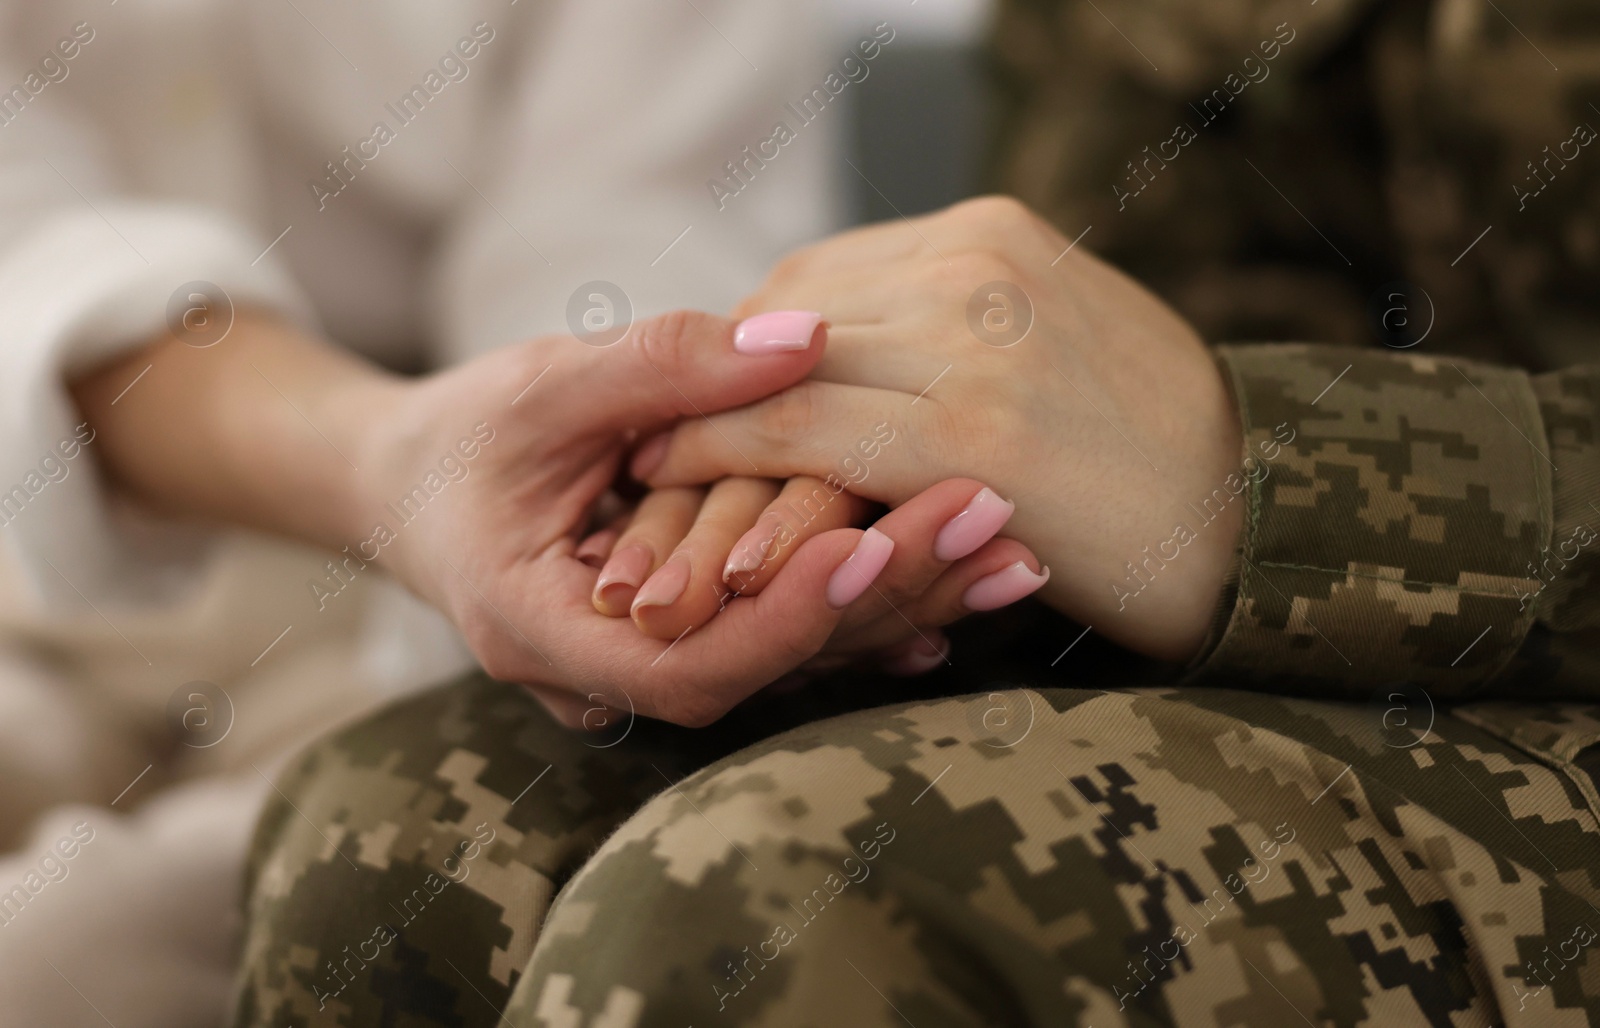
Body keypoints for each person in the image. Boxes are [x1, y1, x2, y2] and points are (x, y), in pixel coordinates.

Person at [224, 0, 1600, 1025]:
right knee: (405, 834)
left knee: (761, 901)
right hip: (1360, 631)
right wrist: (881, 469)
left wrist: (1269, 474)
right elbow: (1132, 278)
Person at [0, 3, 1013, 1025]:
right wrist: (397, 460)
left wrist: (609, 473)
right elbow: (23, 241)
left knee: (67, 967)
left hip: (413, 589)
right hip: (53, 542)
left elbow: (621, 221)